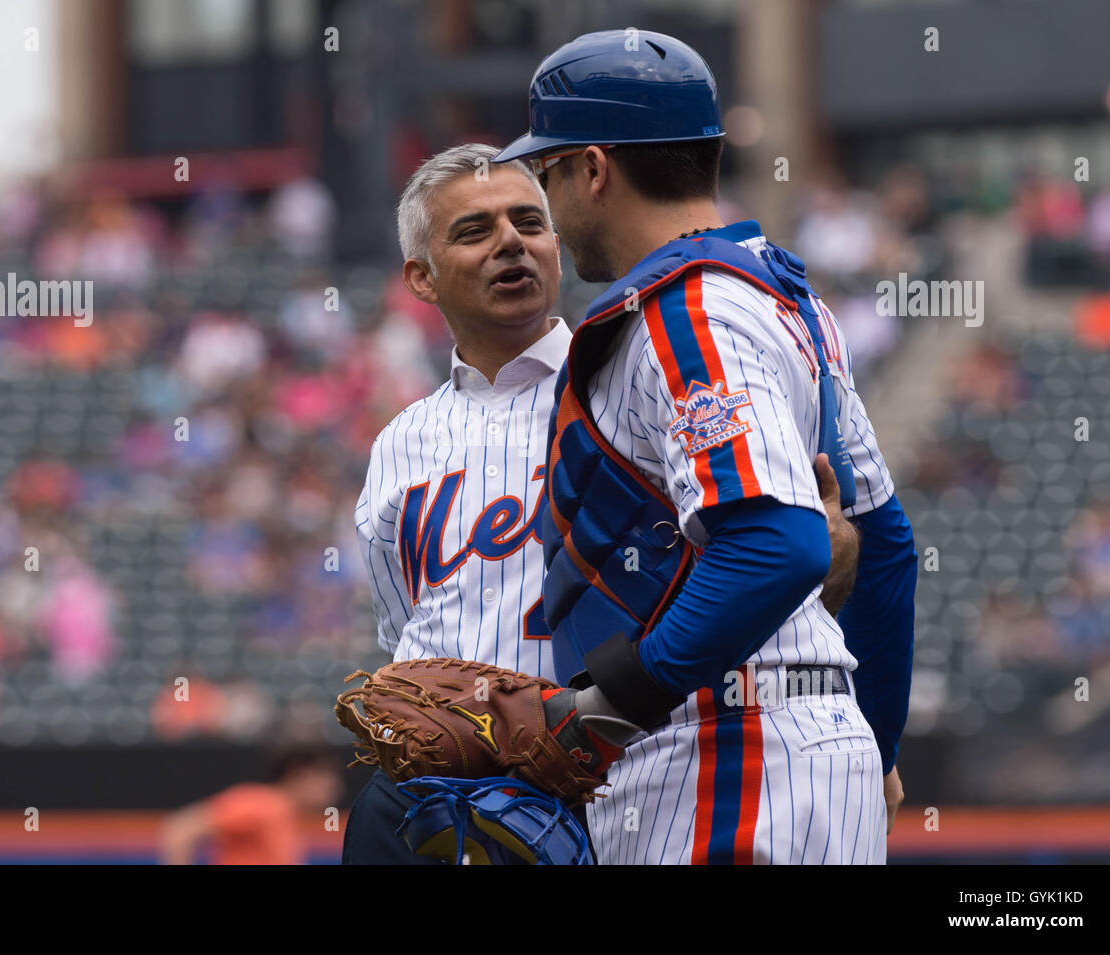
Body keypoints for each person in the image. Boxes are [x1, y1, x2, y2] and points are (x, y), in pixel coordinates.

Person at [344, 142, 859, 864]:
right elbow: (405, 634)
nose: (510, 242)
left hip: (614, 779)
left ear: (558, 241)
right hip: (440, 799)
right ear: (419, 278)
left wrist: (829, 569)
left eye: (529, 220)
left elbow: (763, 554)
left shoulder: (632, 374)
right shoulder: (399, 443)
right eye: (474, 231)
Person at [491, 29, 917, 864]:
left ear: (593, 168)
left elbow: (775, 545)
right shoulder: (789, 302)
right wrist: (883, 745)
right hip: (782, 744)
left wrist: (608, 707)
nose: (547, 200)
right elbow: (886, 546)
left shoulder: (684, 313)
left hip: (728, 753)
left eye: (547, 173)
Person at [159, 744, 341, 865]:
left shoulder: (287, 816)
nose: (334, 786)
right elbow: (180, 830)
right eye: (324, 777)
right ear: (299, 775)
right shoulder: (260, 803)